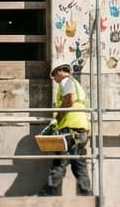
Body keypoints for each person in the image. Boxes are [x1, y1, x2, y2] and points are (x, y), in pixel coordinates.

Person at [38, 64, 93, 197]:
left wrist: (58, 118)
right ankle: (86, 194)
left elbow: (69, 100)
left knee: (60, 161)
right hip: (81, 129)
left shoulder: (66, 81)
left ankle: (48, 193)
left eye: (55, 75)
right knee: (79, 163)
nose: (55, 79)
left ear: (61, 72)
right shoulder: (78, 86)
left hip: (70, 127)